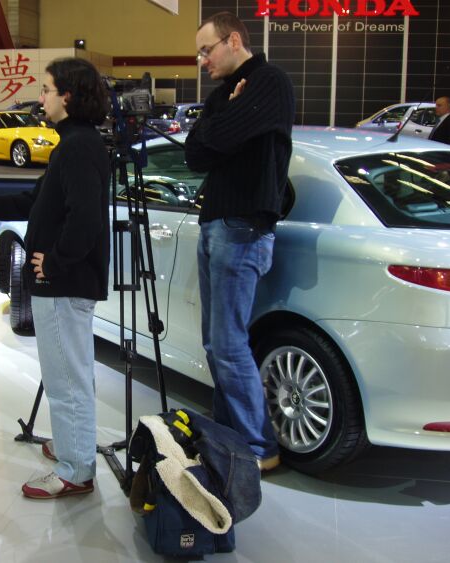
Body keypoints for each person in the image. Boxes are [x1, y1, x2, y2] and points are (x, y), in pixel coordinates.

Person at [0, 57, 110, 499]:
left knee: (65, 379)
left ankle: (76, 471)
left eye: (47, 89)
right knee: (71, 374)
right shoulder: (76, 144)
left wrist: (54, 263)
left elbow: (87, 218)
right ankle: (74, 448)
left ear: (68, 96)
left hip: (63, 285)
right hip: (67, 284)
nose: (41, 98)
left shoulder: (78, 147)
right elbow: (34, 203)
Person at [185, 12, 295, 472]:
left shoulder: (270, 82)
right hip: (216, 224)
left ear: (233, 40)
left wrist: (224, 121)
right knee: (216, 343)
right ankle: (231, 433)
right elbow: (193, 154)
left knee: (228, 343)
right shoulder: (221, 95)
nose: (201, 59)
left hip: (243, 226)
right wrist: (226, 115)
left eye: (207, 49)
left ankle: (258, 446)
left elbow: (222, 137)